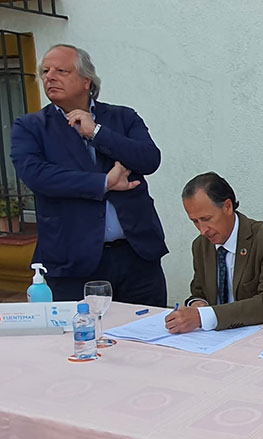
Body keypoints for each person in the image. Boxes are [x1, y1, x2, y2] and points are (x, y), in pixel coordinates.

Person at [10, 44, 167, 306]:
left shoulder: (122, 117)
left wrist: (96, 133)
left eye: (61, 70)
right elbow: (38, 176)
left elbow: (150, 159)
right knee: (82, 338)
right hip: (73, 260)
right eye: (45, 71)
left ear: (86, 81)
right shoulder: (31, 127)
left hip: (136, 254)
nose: (50, 77)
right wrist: (104, 183)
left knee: (149, 338)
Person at [165, 172, 263, 333]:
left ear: (228, 207)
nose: (202, 230)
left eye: (206, 218)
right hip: (218, 337)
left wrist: (206, 316)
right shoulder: (201, 245)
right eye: (195, 221)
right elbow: (198, 291)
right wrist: (197, 304)